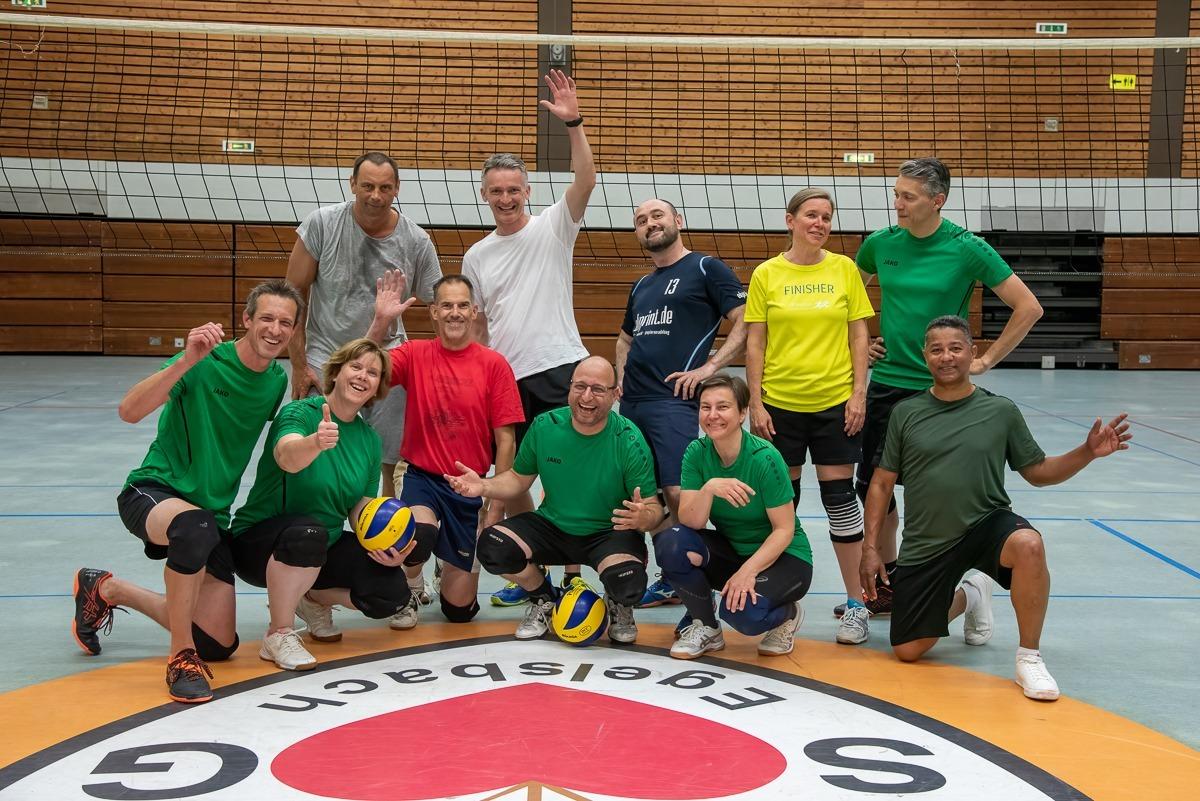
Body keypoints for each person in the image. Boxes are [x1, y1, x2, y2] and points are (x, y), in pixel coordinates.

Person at [860, 316, 1130, 701]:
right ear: (925, 357)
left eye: (956, 348)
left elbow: (1038, 472)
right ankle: (971, 595)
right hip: (927, 542)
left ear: (972, 353)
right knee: (907, 649)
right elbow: (881, 483)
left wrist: (1086, 452)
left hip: (987, 524)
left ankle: (1029, 658)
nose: (946, 357)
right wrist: (870, 547)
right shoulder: (905, 412)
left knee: (1029, 545)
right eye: (937, 349)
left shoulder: (1000, 411)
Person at [72, 279, 302, 704]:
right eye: (267, 318)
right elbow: (129, 411)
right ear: (247, 319)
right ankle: (181, 658)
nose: (275, 329)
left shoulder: (275, 381)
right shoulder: (204, 359)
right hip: (154, 490)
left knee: (218, 642)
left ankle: (106, 589)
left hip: (211, 513)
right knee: (193, 529)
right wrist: (187, 360)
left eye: (285, 323)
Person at [854, 157, 1043, 617]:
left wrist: (986, 359)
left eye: (908, 197)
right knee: (874, 487)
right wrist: (861, 343)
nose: (897, 204)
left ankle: (970, 586)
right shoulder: (880, 244)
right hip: (887, 386)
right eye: (896, 194)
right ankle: (890, 584)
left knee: (938, 493)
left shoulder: (967, 247)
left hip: (940, 393)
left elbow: (1028, 307)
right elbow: (847, 302)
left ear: (937, 200)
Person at [461, 70, 595, 606]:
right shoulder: (476, 254)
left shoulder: (553, 226)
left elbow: (585, 180)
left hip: (560, 366)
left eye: (513, 189)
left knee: (569, 479)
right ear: (485, 195)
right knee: (513, 480)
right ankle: (532, 572)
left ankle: (575, 575)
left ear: (527, 192)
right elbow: (478, 326)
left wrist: (574, 123)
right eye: (496, 191)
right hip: (506, 378)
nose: (506, 198)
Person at [229, 338, 436, 668]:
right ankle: (278, 633)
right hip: (259, 544)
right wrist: (315, 442)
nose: (363, 376)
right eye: (356, 366)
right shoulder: (300, 412)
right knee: (308, 532)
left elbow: (360, 507)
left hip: (322, 544)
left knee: (391, 594)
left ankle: (310, 597)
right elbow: (286, 457)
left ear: (377, 388)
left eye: (372, 373)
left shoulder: (369, 440)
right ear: (336, 372)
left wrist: (385, 544)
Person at [446, 356, 661, 644]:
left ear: (615, 394)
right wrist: (484, 486)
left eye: (598, 389)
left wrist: (644, 517)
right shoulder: (545, 426)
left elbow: (652, 507)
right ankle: (544, 598)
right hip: (554, 526)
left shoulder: (629, 439)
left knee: (629, 584)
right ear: (570, 388)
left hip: (609, 530)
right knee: (492, 547)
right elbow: (518, 479)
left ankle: (618, 603)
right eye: (580, 386)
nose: (586, 397)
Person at [355, 271, 524, 628]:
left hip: (469, 486)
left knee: (459, 612)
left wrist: (495, 505)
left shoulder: (494, 365)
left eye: (462, 305)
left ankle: (444, 564)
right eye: (446, 305)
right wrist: (381, 321)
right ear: (433, 312)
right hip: (421, 475)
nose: (454, 313)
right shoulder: (415, 353)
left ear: (474, 311)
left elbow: (506, 440)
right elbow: (361, 369)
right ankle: (410, 586)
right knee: (419, 536)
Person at [745, 188, 874, 645]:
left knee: (840, 499)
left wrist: (858, 393)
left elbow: (859, 337)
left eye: (826, 217)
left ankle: (856, 603)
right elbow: (755, 342)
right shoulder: (767, 273)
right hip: (780, 404)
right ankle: (783, 600)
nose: (819, 223)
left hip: (835, 402)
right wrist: (755, 402)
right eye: (811, 215)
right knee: (784, 505)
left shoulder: (844, 269)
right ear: (791, 220)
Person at [286, 151, 442, 500]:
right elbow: (293, 297)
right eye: (368, 186)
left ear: (397, 188)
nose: (376, 195)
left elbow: (441, 303)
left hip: (387, 359)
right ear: (352, 184)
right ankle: (313, 523)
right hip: (326, 359)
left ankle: (385, 523)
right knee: (316, 452)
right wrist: (298, 364)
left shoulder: (416, 240)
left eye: (385, 188)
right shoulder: (322, 224)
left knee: (389, 461)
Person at [619, 198, 748, 609]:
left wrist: (710, 368)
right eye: (641, 220)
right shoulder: (641, 285)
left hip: (673, 399)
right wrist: (620, 376)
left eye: (657, 215)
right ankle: (666, 576)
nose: (650, 223)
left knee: (678, 491)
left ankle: (695, 574)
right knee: (642, 494)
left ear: (678, 220)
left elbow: (745, 320)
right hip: (632, 403)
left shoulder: (706, 267)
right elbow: (624, 339)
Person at [653, 374, 814, 659]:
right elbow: (691, 523)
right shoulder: (696, 453)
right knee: (671, 542)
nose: (712, 415)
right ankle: (706, 627)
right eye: (706, 407)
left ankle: (788, 614)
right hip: (734, 551)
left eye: (723, 407)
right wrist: (709, 489)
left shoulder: (765, 458)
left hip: (785, 558)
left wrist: (747, 572)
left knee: (742, 614)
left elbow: (784, 530)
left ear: (742, 414)